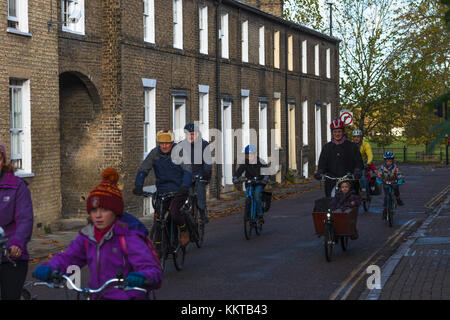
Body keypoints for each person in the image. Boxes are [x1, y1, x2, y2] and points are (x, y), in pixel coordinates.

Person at [32, 168, 162, 300]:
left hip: (128, 296)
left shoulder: (128, 236)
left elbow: (150, 268)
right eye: (94, 210)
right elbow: (70, 258)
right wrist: (50, 266)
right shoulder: (88, 236)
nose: (98, 215)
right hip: (97, 296)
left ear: (115, 212)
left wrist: (143, 276)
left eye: (104, 210)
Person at [133, 129, 192, 246]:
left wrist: (185, 185)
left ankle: (184, 230)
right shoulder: (154, 153)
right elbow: (143, 169)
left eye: (167, 144)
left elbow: (187, 170)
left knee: (175, 212)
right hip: (162, 190)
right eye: (161, 144)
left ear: (172, 143)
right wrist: (138, 185)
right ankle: (158, 246)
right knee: (159, 218)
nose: (164, 146)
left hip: (179, 189)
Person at [0, 142, 34, 300]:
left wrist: (17, 243)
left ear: (2, 161)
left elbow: (24, 219)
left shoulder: (17, 186)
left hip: (9, 255)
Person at [314, 119, 364, 198]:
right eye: (335, 132)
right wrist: (320, 172)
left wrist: (357, 170)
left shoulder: (352, 146)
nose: (337, 134)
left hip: (348, 180)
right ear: (332, 133)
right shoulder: (327, 147)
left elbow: (359, 162)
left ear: (343, 132)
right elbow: (322, 163)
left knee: (351, 204)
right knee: (329, 204)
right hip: (331, 181)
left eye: (339, 131)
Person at [179, 123, 212, 223]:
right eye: (188, 134)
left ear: (197, 134)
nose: (190, 136)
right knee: (184, 194)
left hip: (200, 174)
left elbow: (207, 163)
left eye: (192, 134)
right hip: (187, 175)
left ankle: (202, 212)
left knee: (200, 191)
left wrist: (205, 173)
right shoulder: (181, 145)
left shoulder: (204, 145)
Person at [232, 145, 269, 223]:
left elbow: (266, 172)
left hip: (259, 182)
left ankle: (260, 215)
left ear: (255, 154)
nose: (249, 156)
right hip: (250, 183)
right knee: (247, 197)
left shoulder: (261, 162)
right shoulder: (245, 162)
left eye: (251, 154)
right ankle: (248, 214)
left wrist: (264, 179)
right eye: (247, 155)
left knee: (256, 195)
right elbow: (239, 171)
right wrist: (235, 178)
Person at [376, 152, 405, 220]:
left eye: (390, 161)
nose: (388, 162)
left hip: (394, 182)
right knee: (386, 197)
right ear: (385, 161)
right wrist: (379, 179)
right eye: (387, 161)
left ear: (392, 161)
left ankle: (398, 199)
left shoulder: (395, 167)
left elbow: (398, 173)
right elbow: (379, 173)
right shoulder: (382, 167)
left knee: (396, 190)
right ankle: (385, 211)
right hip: (385, 182)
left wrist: (400, 178)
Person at [352, 129, 373, 199]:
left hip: (363, 163)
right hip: (354, 163)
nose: (356, 138)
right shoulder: (351, 145)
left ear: (361, 137)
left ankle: (364, 192)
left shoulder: (365, 145)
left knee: (362, 177)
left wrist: (368, 163)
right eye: (354, 137)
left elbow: (370, 154)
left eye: (358, 137)